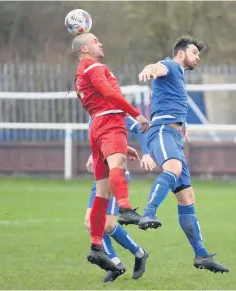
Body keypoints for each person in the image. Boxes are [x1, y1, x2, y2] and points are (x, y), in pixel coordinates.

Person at [131, 35, 229, 273]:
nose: (198, 57)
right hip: (163, 131)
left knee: (187, 199)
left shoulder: (179, 75)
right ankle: (148, 214)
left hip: (173, 134)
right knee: (172, 169)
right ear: (181, 53)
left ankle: (202, 256)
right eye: (195, 52)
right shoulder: (172, 65)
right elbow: (158, 68)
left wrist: (182, 126)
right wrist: (148, 69)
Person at [72, 32, 150, 272]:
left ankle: (96, 246)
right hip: (109, 122)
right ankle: (126, 209)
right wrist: (135, 113)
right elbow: (110, 95)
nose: (101, 43)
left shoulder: (81, 72)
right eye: (95, 41)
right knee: (120, 166)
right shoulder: (93, 67)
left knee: (103, 192)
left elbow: (98, 100)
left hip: (97, 127)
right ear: (84, 49)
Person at [85, 116, 156, 282]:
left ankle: (139, 254)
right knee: (91, 222)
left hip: (114, 175)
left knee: (106, 224)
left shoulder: (114, 108)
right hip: (100, 176)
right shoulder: (93, 112)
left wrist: (146, 153)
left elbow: (141, 127)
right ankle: (117, 264)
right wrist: (92, 156)